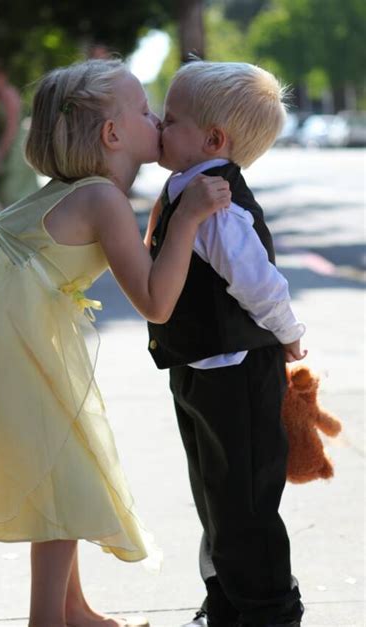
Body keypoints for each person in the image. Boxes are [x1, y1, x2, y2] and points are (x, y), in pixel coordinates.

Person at [0, 59, 231, 627]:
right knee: (63, 473)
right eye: (148, 112)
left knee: (61, 462)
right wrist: (191, 218)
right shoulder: (102, 199)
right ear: (113, 134)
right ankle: (48, 619)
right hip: (2, 324)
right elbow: (156, 300)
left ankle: (74, 610)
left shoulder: (76, 191)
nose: (158, 121)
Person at [145, 61, 307, 627]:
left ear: (213, 141)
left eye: (168, 120)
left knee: (245, 502)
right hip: (200, 367)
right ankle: (228, 603)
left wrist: (289, 334)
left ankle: (269, 611)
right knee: (215, 495)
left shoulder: (216, 203)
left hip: (236, 369)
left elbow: (258, 280)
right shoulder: (186, 190)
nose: (155, 126)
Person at [0, 60, 38, 206]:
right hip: (11, 143)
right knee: (7, 190)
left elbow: (11, 128)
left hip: (16, 145)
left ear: (1, 76)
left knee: (15, 189)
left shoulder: (8, 94)